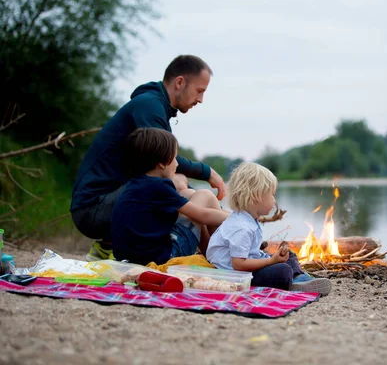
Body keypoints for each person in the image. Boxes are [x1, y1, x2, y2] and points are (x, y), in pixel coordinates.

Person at [70, 55, 226, 261]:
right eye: (200, 91)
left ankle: (214, 255)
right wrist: (206, 172)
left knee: (180, 185)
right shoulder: (149, 106)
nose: (200, 99)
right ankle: (220, 255)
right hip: (92, 210)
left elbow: (167, 161)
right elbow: (167, 159)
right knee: (175, 183)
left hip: (111, 203)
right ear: (180, 82)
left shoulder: (154, 105)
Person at [207, 162, 332, 296]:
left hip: (245, 266)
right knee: (282, 271)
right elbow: (238, 264)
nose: (274, 200)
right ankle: (294, 280)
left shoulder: (248, 219)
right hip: (235, 275)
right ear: (256, 196)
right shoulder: (241, 227)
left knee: (290, 255)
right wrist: (271, 261)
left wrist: (272, 259)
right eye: (272, 195)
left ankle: (299, 279)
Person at [110, 127, 230, 265]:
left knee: (189, 194)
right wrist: (240, 217)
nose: (177, 163)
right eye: (174, 158)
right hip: (162, 259)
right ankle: (223, 259)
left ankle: (213, 258)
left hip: (130, 259)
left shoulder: (136, 184)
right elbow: (203, 215)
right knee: (206, 196)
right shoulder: (158, 186)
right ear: (162, 163)